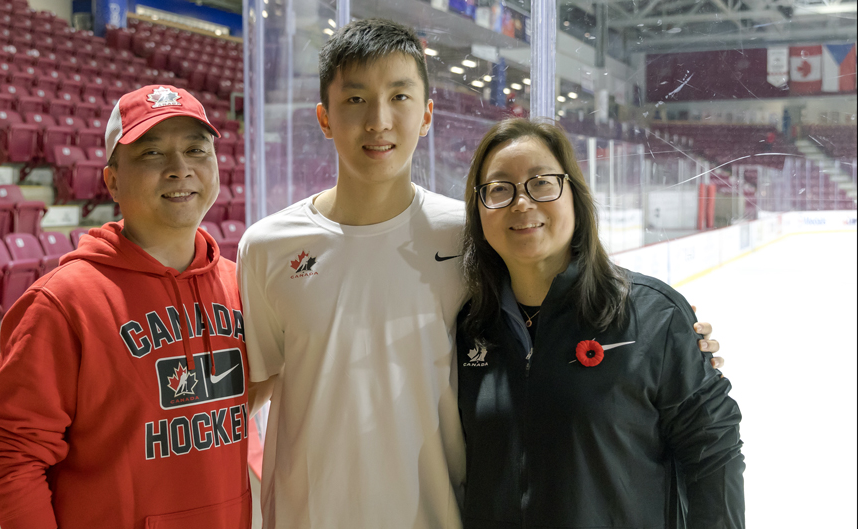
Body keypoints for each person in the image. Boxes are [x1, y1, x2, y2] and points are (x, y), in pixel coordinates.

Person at [239, 19, 723, 528]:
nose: (379, 121)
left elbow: (558, 305)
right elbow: (251, 389)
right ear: (324, 117)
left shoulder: (473, 235)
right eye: (356, 99)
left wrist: (672, 341)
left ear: (426, 115)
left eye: (399, 97)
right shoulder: (269, 247)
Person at [0, 85, 252, 529]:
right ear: (112, 181)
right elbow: (11, 457)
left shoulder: (241, 285)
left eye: (196, 150)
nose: (180, 170)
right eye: (152, 154)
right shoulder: (63, 303)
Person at [456, 118, 745, 528]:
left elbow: (714, 453)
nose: (521, 203)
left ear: (573, 193)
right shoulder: (468, 330)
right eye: (500, 189)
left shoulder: (654, 316)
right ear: (479, 210)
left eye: (541, 182)